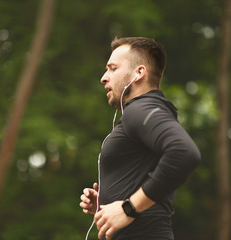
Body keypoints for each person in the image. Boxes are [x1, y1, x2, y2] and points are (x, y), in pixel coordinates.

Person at [79, 37, 201, 240]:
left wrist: (128, 208)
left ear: (139, 73)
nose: (103, 77)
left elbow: (184, 152)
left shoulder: (140, 109)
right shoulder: (144, 111)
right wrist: (108, 200)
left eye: (112, 68)